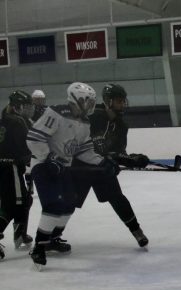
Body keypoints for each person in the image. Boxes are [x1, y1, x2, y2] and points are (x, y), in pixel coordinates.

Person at [27, 82, 119, 267]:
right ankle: (39, 246)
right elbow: (34, 138)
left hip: (63, 167)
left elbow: (84, 150)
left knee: (70, 203)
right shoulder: (55, 113)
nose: (91, 105)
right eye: (88, 101)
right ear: (76, 99)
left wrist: (102, 162)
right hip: (43, 166)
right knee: (54, 204)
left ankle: (53, 239)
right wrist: (49, 158)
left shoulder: (84, 122)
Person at [71, 83, 149, 248]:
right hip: (81, 167)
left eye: (123, 101)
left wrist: (133, 159)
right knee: (68, 203)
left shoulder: (121, 125)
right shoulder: (92, 116)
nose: (123, 104)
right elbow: (81, 143)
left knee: (117, 198)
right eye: (119, 101)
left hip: (102, 168)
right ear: (108, 101)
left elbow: (118, 152)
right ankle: (52, 236)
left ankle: (137, 231)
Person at [0, 90, 35, 259]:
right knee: (13, 205)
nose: (27, 110)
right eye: (25, 106)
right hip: (11, 168)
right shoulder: (18, 122)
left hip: (6, 168)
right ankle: (18, 232)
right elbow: (27, 146)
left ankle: (20, 232)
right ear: (15, 106)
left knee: (24, 200)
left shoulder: (5, 119)